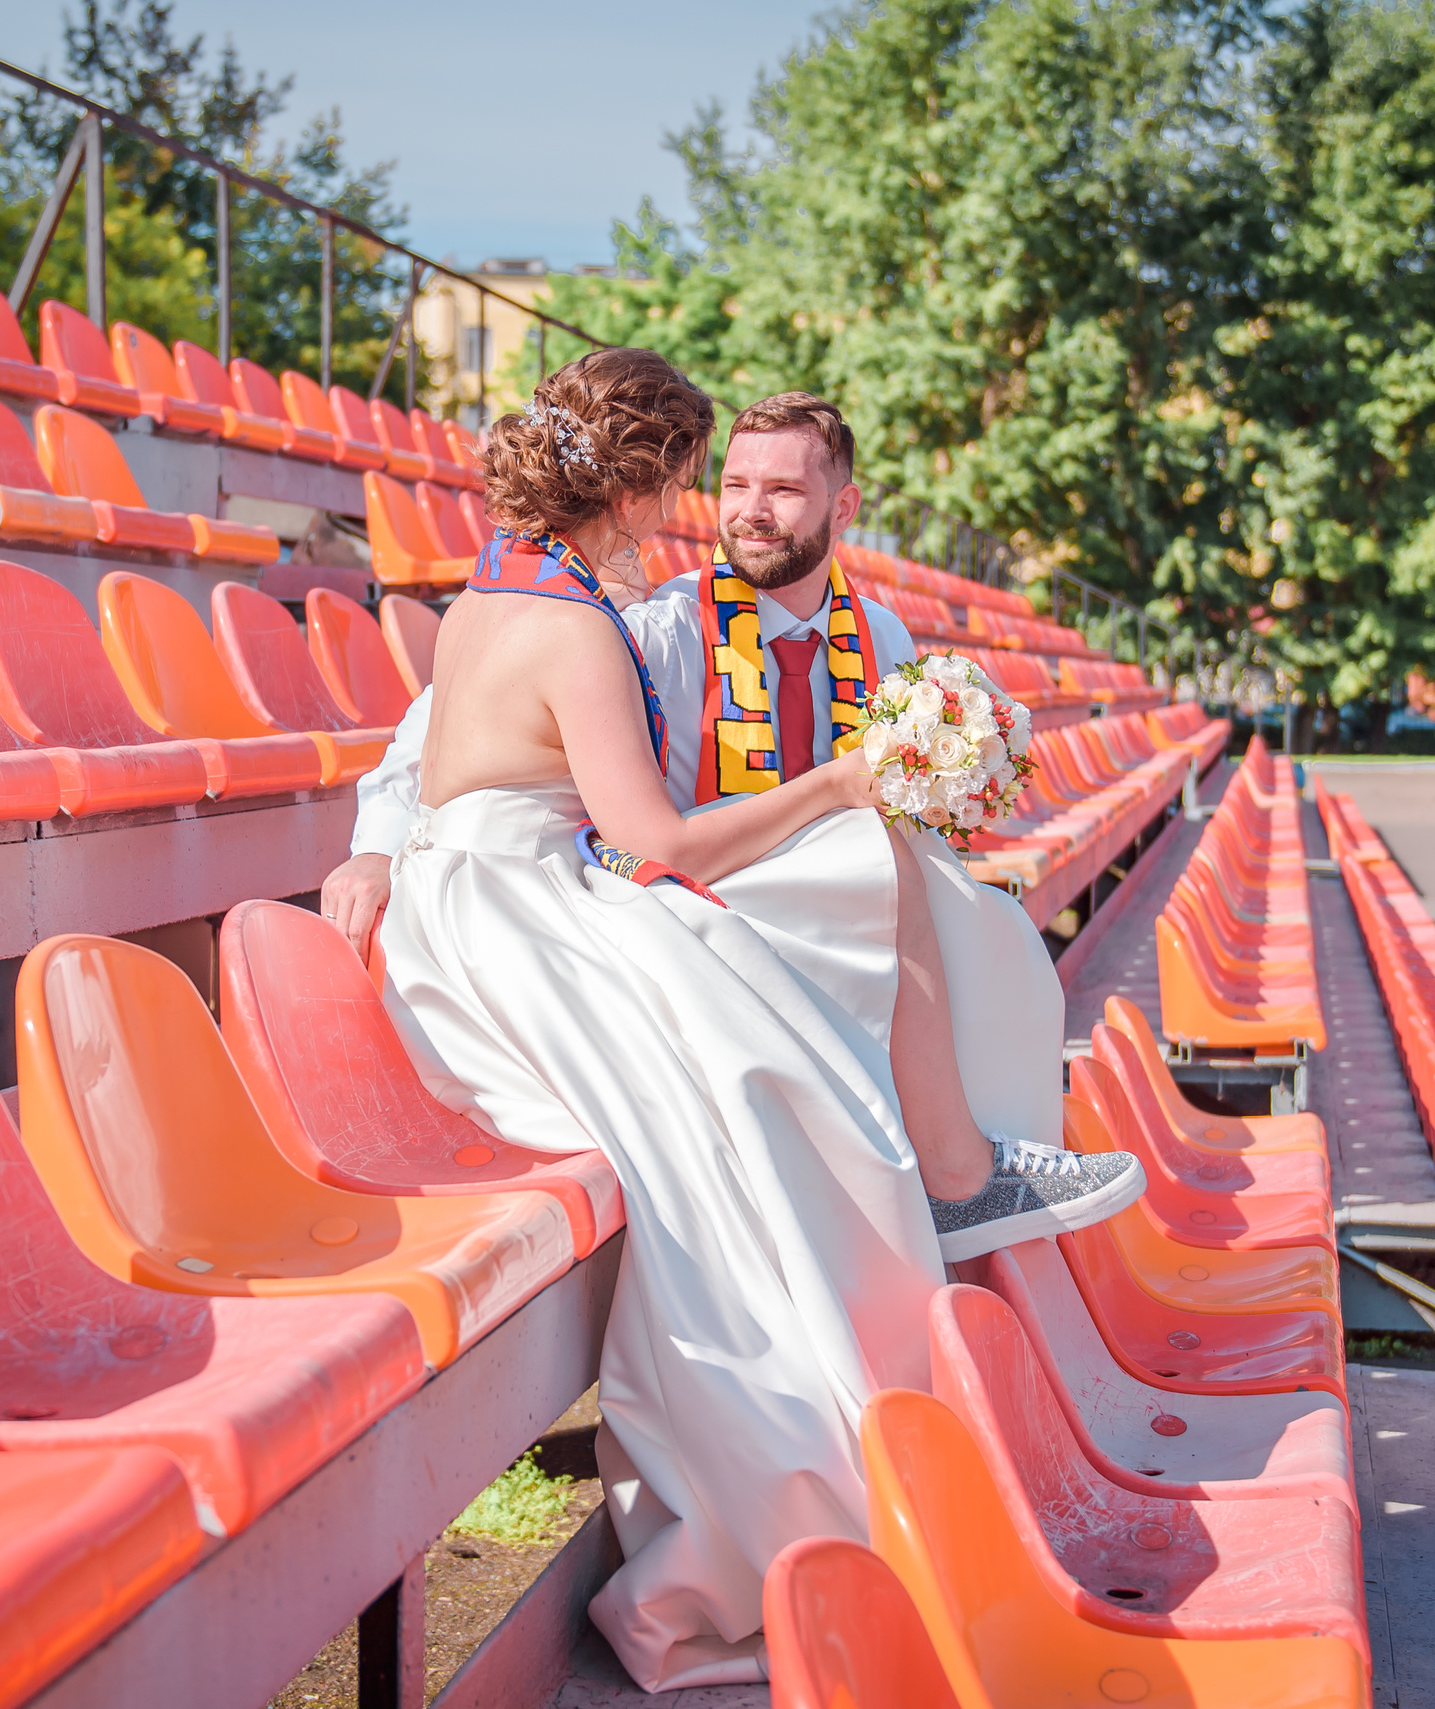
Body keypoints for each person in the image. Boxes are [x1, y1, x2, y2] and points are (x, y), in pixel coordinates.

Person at [377, 348, 1141, 1690]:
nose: (701, 511)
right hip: (530, 919)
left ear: (840, 506)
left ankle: (950, 1198)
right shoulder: (601, 622)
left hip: (524, 898)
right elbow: (644, 832)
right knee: (753, 1104)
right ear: (635, 485)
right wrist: (846, 784)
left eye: (754, 485)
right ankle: (825, 1447)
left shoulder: (507, 585)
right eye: (695, 482)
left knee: (869, 949)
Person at [319, 390, 918, 953]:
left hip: (838, 893)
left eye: (784, 489)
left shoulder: (884, 639)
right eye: (735, 486)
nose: (751, 512)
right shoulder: (660, 621)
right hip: (708, 908)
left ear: (843, 508)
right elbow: (445, 719)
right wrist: (377, 848)